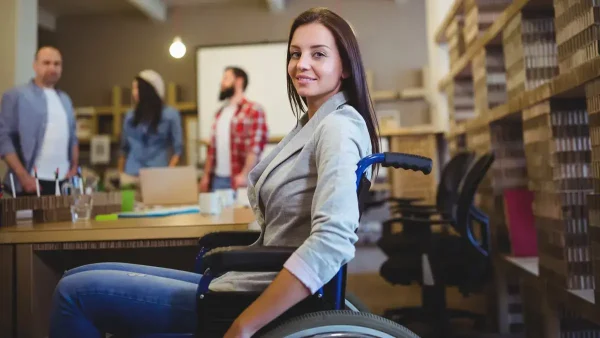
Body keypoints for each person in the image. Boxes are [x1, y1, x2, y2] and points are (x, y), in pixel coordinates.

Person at [48, 7, 380, 338]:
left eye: (318, 54)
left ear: (345, 66)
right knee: (83, 272)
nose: (301, 64)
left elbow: (333, 239)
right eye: (295, 54)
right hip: (251, 280)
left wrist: (246, 324)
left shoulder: (337, 127)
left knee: (73, 291)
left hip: (259, 297)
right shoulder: (312, 123)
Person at [0, 46, 79, 196]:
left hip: (63, 182)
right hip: (30, 182)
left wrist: (74, 168)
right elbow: (4, 139)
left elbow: (73, 137)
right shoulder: (16, 95)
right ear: (35, 65)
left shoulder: (65, 100)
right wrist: (23, 176)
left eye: (57, 64)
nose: (52, 68)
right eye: (46, 63)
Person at [199, 66, 268, 192]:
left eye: (226, 78)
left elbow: (255, 147)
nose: (222, 83)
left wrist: (244, 175)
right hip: (217, 179)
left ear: (239, 81)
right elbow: (212, 149)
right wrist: (206, 176)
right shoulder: (220, 113)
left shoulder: (253, 110)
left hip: (239, 180)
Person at [118, 69, 183, 179]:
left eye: (137, 88)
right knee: (128, 197)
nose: (134, 93)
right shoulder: (129, 116)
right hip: (130, 174)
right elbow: (124, 149)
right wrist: (121, 174)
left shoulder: (171, 115)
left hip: (158, 175)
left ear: (149, 90)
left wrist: (169, 173)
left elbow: (178, 149)